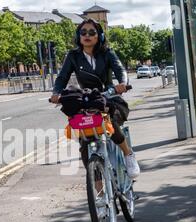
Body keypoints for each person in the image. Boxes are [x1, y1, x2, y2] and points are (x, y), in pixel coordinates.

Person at [50, 19, 140, 179]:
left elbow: (120, 70)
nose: (87, 35)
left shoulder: (107, 53)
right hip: (87, 100)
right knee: (84, 140)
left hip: (109, 97)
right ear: (79, 36)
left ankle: (128, 154)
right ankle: (97, 191)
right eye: (83, 32)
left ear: (100, 36)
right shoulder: (73, 56)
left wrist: (123, 84)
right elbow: (62, 77)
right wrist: (56, 93)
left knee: (108, 120)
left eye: (92, 32)